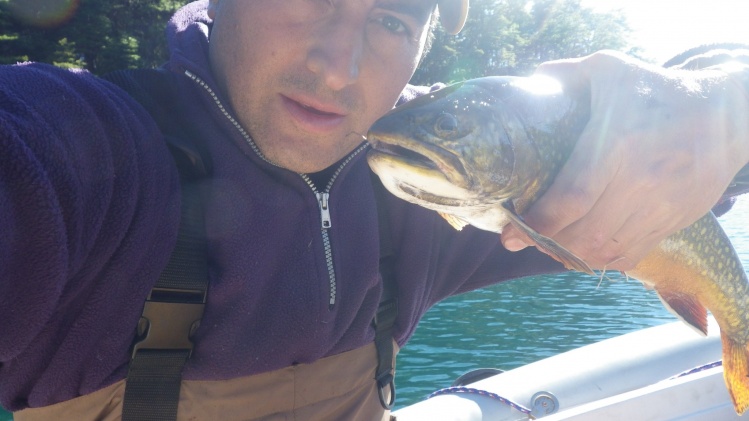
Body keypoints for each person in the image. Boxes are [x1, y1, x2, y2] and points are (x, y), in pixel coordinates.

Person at [0, 0, 747, 420]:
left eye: (393, 17)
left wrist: (718, 103)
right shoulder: (80, 152)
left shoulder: (453, 172)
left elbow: (708, 160)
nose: (338, 64)